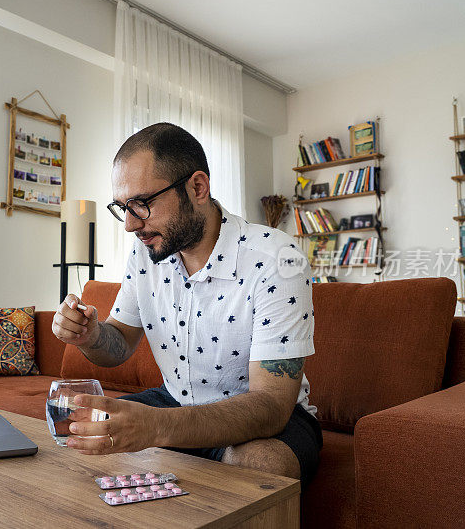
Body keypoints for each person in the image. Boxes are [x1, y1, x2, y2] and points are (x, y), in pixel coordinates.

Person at [51, 122, 322, 487]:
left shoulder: (277, 259)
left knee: (263, 464)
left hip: (260, 417)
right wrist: (88, 334)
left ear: (197, 187)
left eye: (142, 204)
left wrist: (155, 427)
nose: (130, 225)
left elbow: (271, 407)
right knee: (76, 421)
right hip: (175, 401)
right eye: (123, 207)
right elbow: (116, 346)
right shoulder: (146, 253)